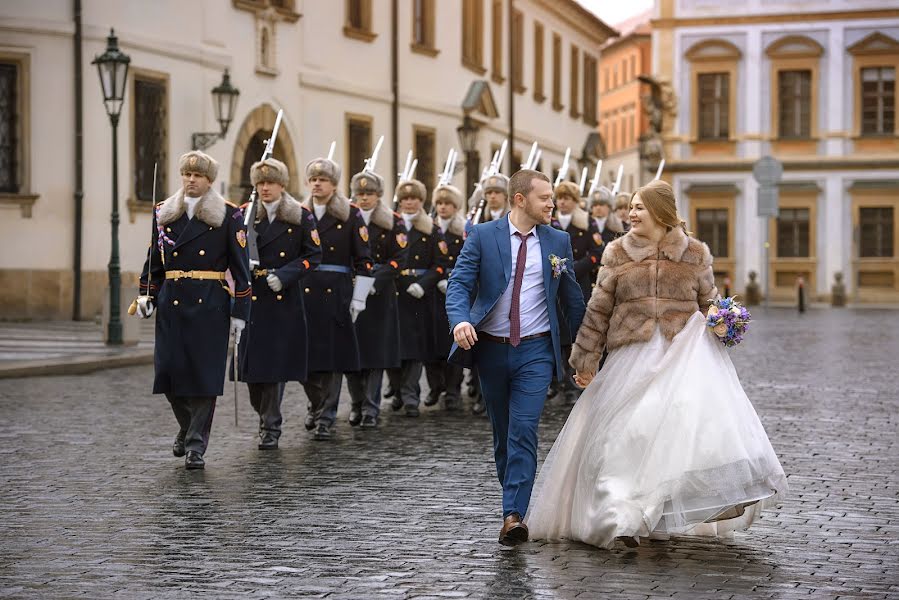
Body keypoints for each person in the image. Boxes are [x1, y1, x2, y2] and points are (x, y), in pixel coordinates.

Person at [526, 180, 788, 549]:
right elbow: (599, 309)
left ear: (661, 213)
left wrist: (721, 318)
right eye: (630, 207)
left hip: (680, 357)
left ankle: (648, 511)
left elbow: (707, 301)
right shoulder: (617, 253)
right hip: (630, 357)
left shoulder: (695, 253)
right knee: (624, 437)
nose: (631, 214)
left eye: (639, 208)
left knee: (668, 436)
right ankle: (618, 516)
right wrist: (585, 358)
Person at [445, 169, 586, 546]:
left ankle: (513, 515)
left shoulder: (559, 239)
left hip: (537, 350)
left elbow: (571, 298)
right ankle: (513, 500)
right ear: (520, 199)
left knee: (523, 429)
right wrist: (460, 321)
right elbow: (459, 283)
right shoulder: (483, 236)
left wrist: (586, 352)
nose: (551, 204)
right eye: (545, 198)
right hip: (490, 348)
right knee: (503, 433)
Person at [135, 150, 251, 469]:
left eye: (197, 175)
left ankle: (196, 446)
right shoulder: (163, 212)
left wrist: (241, 312)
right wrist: (147, 293)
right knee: (169, 372)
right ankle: (187, 427)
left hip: (209, 303)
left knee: (203, 376)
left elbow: (241, 269)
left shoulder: (228, 215)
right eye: (186, 174)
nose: (190, 180)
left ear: (209, 181)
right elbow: (153, 262)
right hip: (172, 301)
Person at [236, 158, 322, 450]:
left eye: (270, 182)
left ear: (282, 185)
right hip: (252, 297)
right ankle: (264, 415)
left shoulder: (299, 216)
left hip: (282, 299)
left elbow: (313, 255)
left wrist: (285, 276)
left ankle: (270, 427)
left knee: (272, 368)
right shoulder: (245, 215)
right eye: (260, 183)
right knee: (251, 374)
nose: (264, 188)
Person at [300, 158, 373, 440]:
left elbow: (364, 259)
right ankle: (316, 403)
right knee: (305, 358)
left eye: (323, 179)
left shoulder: (350, 215)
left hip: (337, 292)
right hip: (305, 289)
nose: (317, 183)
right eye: (313, 178)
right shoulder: (299, 213)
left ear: (334, 184)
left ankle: (327, 417)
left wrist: (359, 298)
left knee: (331, 358)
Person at [345, 170, 407, 429]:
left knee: (375, 355)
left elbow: (399, 258)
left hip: (380, 295)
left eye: (369, 193)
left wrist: (373, 280)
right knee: (352, 354)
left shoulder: (393, 221)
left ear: (379, 195)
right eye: (360, 193)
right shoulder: (346, 218)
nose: (364, 198)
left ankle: (371, 407)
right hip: (351, 290)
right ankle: (356, 403)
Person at [387, 178, 448, 417]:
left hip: (420, 294)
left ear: (421, 201)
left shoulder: (431, 228)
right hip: (395, 290)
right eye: (404, 199)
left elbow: (440, 264)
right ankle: (398, 390)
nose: (409, 202)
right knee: (393, 345)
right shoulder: (391, 225)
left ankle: (411, 397)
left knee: (413, 348)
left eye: (414, 198)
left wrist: (423, 284)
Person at [425, 183, 466, 411]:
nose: (442, 207)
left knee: (454, 342)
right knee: (431, 342)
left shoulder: (462, 231)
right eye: (439, 203)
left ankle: (452, 390)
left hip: (455, 291)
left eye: (447, 203)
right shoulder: (429, 229)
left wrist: (451, 281)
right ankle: (434, 386)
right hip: (432, 291)